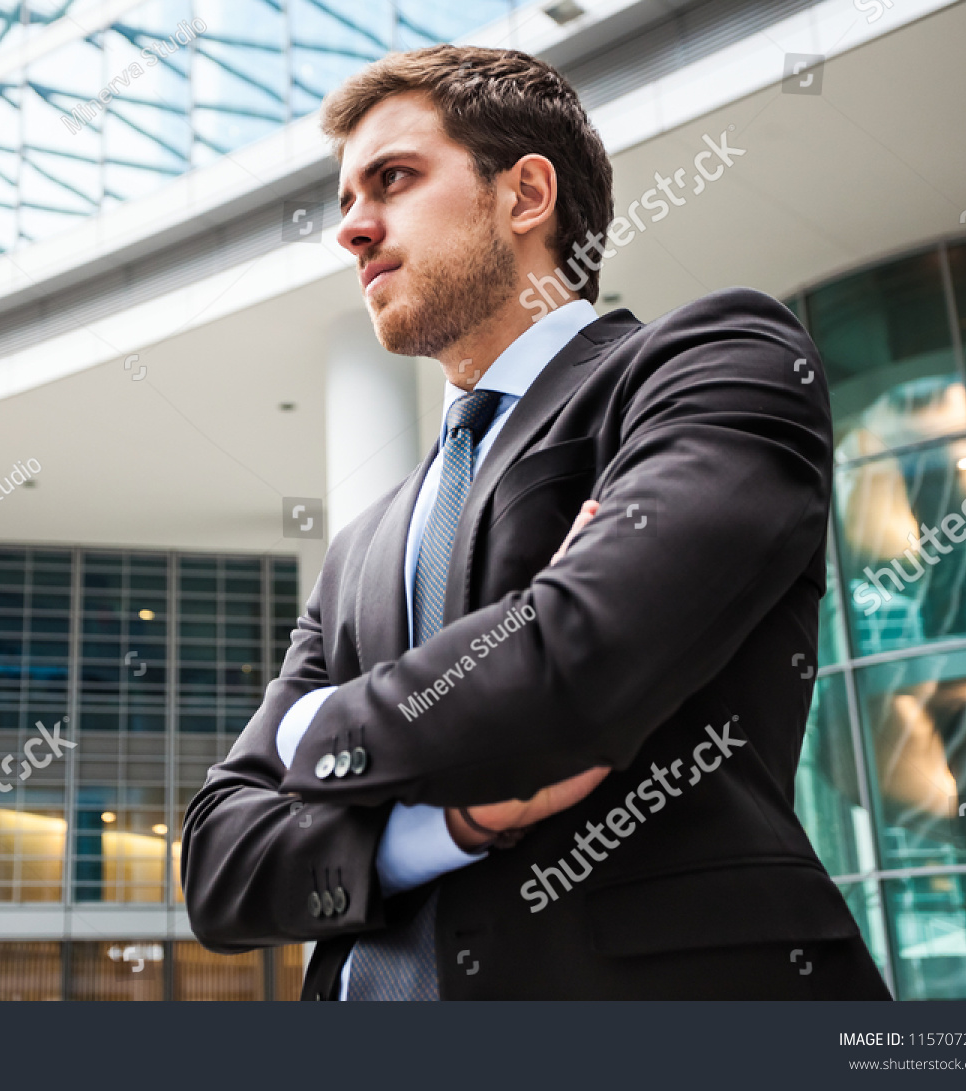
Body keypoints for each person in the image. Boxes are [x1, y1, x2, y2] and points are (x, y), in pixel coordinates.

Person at [179, 45, 890, 1001]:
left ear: (526, 195)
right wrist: (439, 828)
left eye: (392, 179)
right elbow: (220, 864)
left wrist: (308, 730)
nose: (351, 230)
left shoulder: (709, 365)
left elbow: (576, 667)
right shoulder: (361, 550)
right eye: (346, 198)